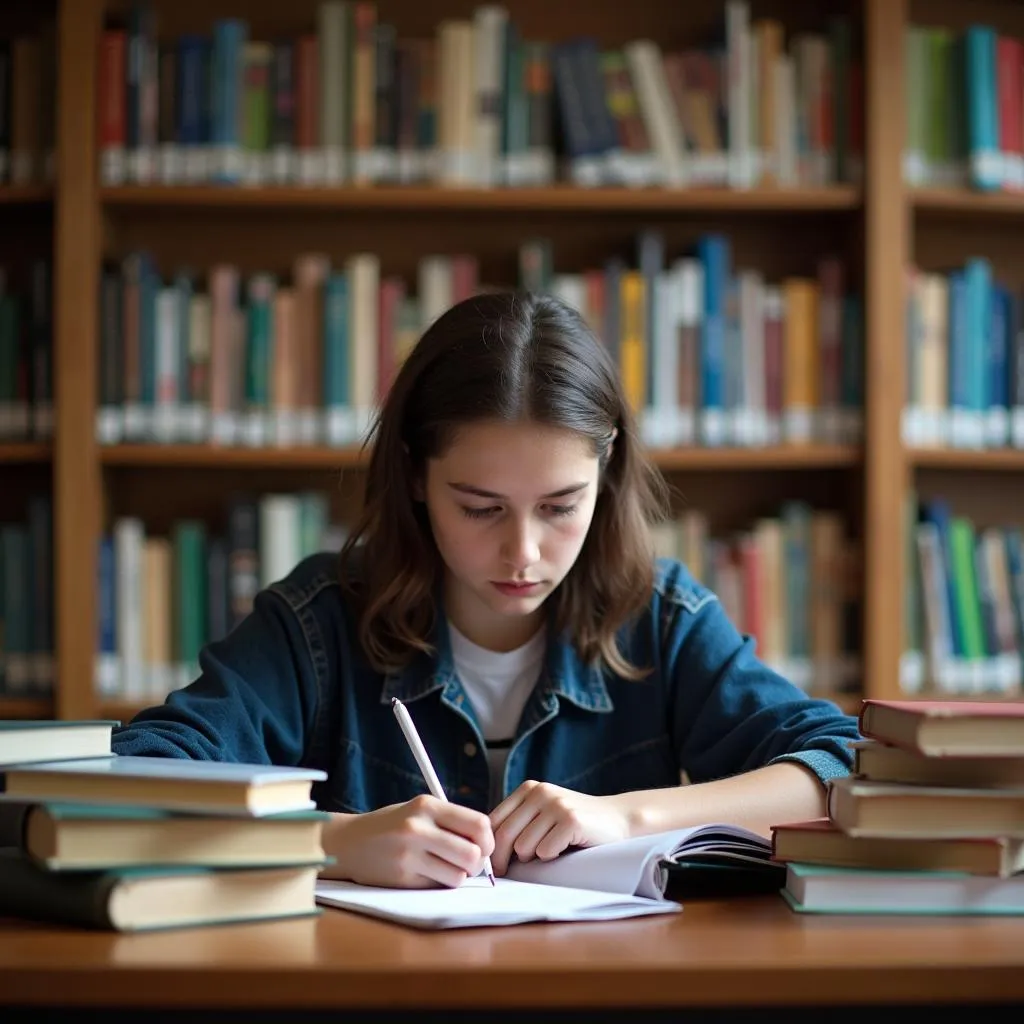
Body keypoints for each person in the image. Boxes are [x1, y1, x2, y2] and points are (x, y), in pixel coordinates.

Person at [112, 290, 862, 890]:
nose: (524, 552)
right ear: (414, 476)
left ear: (606, 474)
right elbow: (139, 774)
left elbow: (839, 766)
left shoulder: (659, 617)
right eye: (481, 508)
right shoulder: (320, 622)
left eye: (562, 506)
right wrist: (332, 841)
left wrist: (625, 819)